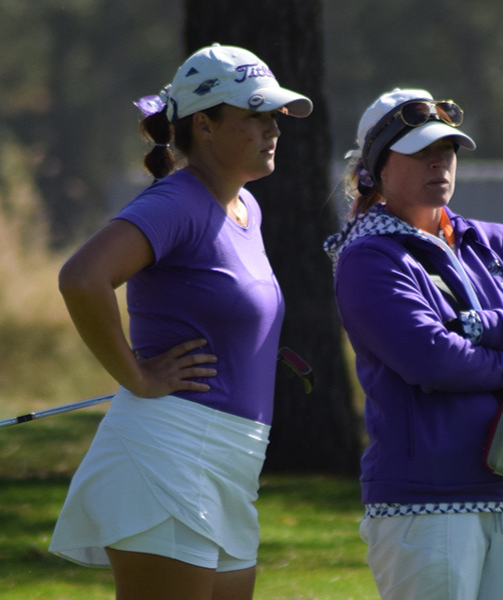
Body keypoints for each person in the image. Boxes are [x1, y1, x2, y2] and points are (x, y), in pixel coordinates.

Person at [48, 44, 312, 600]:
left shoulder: (246, 207)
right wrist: (137, 378)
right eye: (254, 116)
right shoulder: (178, 201)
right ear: (205, 126)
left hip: (231, 461)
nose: (272, 129)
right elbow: (82, 277)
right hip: (169, 453)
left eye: (274, 116)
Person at [324, 88, 503, 600]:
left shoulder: (493, 240)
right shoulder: (368, 259)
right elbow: (432, 360)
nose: (438, 162)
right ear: (376, 168)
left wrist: (475, 326)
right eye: (421, 152)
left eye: (446, 150)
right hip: (426, 504)